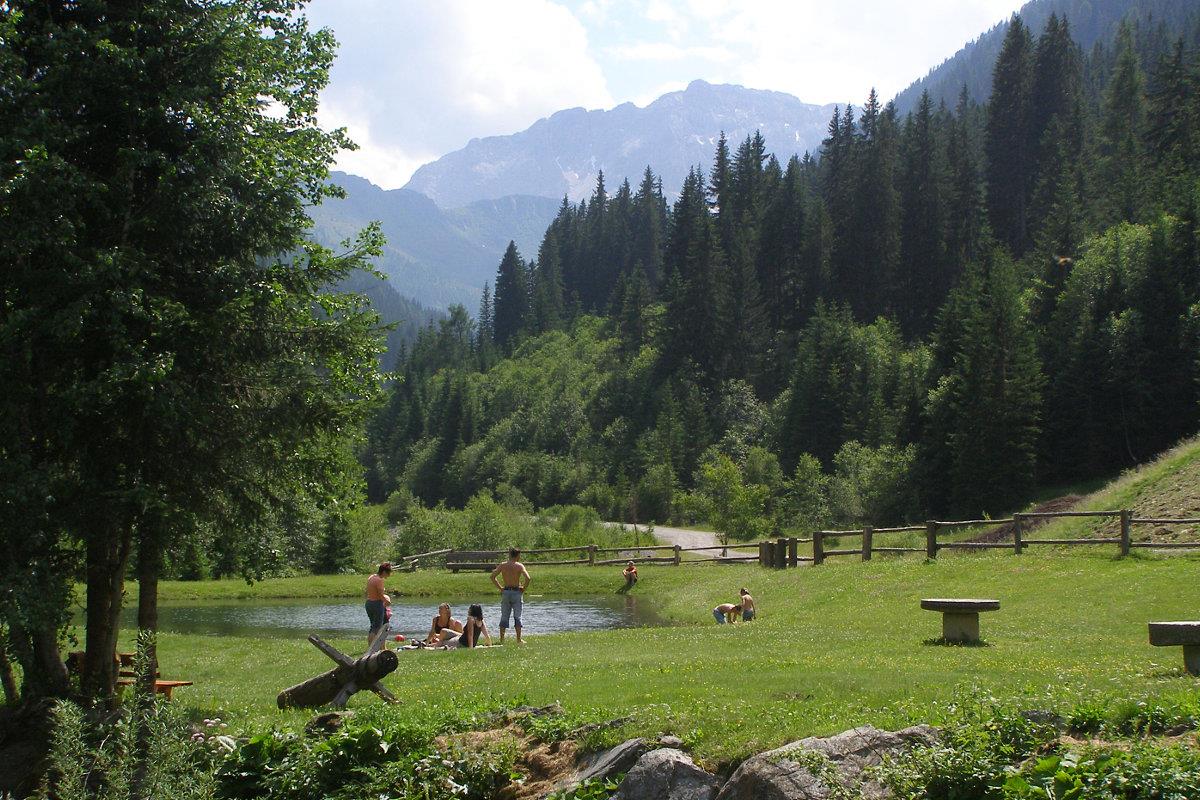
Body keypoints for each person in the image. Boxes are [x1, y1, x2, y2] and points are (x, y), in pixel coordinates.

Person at [490, 547, 531, 644]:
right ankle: (518, 639)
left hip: (506, 592)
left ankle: (502, 639)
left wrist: (501, 588)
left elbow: (492, 577)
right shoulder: (519, 566)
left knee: (504, 616)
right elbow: (528, 578)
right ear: (517, 555)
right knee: (517, 616)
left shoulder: (503, 565)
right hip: (516, 592)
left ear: (510, 554)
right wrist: (523, 588)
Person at [365, 562, 393, 644]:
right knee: (377, 627)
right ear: (384, 572)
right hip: (376, 604)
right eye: (388, 573)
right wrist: (387, 601)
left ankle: (371, 647)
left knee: (373, 627)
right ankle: (372, 647)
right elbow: (380, 595)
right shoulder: (379, 580)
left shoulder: (371, 577)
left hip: (369, 603)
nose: (389, 575)